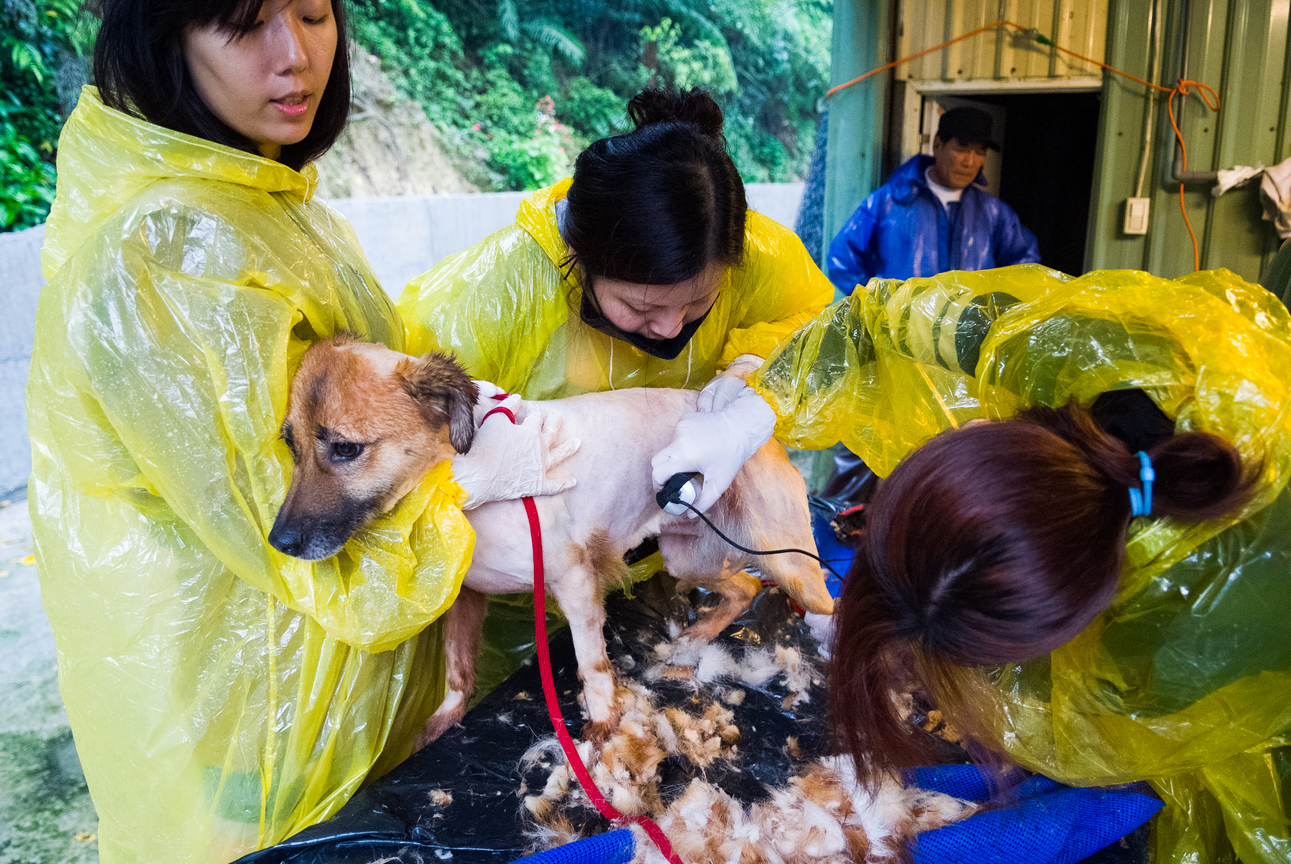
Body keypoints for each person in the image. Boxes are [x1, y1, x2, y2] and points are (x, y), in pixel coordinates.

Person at [27, 1, 570, 861]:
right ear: (166, 37)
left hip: (345, 697)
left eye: (314, 13)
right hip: (256, 700)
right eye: (245, 23)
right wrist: (490, 505)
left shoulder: (278, 208)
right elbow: (290, 540)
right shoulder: (166, 249)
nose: (296, 56)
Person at [750, 264, 1291, 864]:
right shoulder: (1069, 352)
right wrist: (755, 404)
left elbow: (1085, 733)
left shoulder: (1169, 646)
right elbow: (889, 316)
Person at [398, 88, 835, 693]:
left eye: (699, 303)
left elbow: (814, 326)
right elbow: (399, 438)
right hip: (519, 597)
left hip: (667, 562)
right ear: (579, 257)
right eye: (639, 305)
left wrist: (749, 383)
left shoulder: (755, 255)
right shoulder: (490, 298)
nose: (671, 328)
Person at [826, 106, 1041, 295]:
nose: (970, 161)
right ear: (937, 145)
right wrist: (881, 306)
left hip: (968, 338)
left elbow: (1025, 264)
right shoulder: (889, 201)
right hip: (902, 337)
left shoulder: (994, 213)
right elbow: (842, 260)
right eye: (961, 149)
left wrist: (994, 308)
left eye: (979, 152)